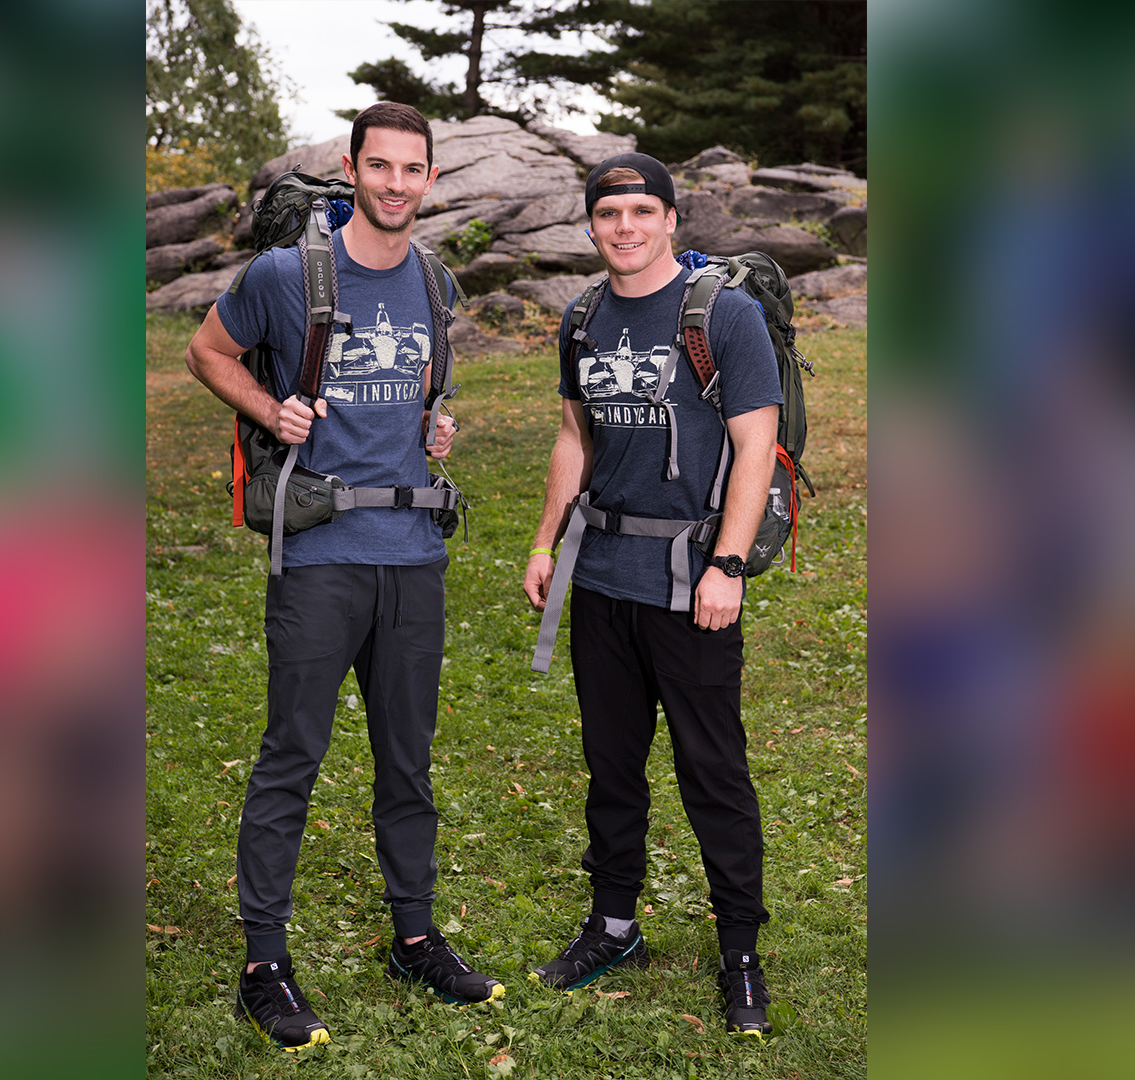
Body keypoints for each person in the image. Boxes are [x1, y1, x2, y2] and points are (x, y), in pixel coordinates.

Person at [186, 102, 501, 1052]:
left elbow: (424, 391)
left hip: (414, 556)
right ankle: (264, 964)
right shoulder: (287, 275)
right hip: (320, 555)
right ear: (353, 169)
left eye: (413, 168)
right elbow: (207, 350)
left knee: (408, 761)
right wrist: (268, 407)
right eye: (380, 165)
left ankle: (415, 937)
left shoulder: (436, 280)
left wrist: (436, 424)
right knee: (293, 755)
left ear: (431, 179)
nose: (396, 183)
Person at [522, 153, 781, 1037]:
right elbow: (574, 437)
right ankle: (614, 926)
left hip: (691, 580)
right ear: (591, 226)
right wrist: (545, 541)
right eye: (608, 214)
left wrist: (728, 565)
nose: (624, 227)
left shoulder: (724, 314)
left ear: (671, 219)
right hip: (601, 578)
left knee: (713, 771)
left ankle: (739, 949)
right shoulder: (582, 317)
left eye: (641, 211)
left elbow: (755, 446)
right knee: (612, 766)